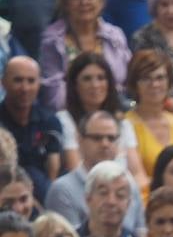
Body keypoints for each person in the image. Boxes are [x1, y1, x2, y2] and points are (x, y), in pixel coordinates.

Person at [46, 112, 145, 236]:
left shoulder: (130, 185)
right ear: (79, 141)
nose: (105, 144)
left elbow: (142, 234)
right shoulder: (62, 189)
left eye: (111, 138)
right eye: (97, 138)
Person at [39, 0, 132, 111]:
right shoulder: (51, 40)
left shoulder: (115, 36)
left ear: (101, 2)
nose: (84, 2)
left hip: (114, 111)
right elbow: (52, 95)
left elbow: (128, 81)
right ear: (65, 3)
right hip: (69, 114)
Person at [55, 52, 139, 181]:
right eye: (87, 79)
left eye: (101, 78)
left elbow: (137, 174)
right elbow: (75, 169)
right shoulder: (64, 120)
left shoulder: (123, 124)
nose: (95, 85)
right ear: (75, 85)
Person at [124, 49, 173, 200]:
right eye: (146, 78)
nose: (154, 84)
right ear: (135, 84)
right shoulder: (126, 126)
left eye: (160, 78)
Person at [0, 57, 63, 202]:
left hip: (41, 194)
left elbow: (53, 172)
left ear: (39, 84)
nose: (25, 88)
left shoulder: (50, 121)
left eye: (31, 81)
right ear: (3, 82)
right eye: (18, 80)